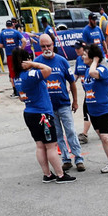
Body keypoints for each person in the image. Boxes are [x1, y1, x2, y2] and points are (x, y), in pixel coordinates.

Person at [13, 49, 69, 184]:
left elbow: (21, 97)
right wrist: (34, 64)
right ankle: (60, 175)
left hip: (29, 112)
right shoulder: (30, 74)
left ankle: (47, 174)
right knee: (51, 146)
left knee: (40, 145)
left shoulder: (17, 77)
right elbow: (47, 69)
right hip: (42, 113)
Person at [37, 34, 82, 172]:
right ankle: (66, 159)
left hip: (63, 104)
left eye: (48, 45)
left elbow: (72, 82)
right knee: (57, 134)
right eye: (43, 46)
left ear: (53, 44)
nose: (46, 48)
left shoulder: (62, 61)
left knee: (70, 131)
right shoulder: (37, 62)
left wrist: (75, 101)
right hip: (48, 108)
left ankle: (78, 158)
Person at [81, 46, 108, 177]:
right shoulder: (87, 71)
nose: (82, 56)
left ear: (93, 57)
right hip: (93, 111)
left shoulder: (101, 69)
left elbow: (93, 73)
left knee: (106, 137)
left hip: (104, 111)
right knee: (102, 138)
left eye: (85, 54)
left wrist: (96, 60)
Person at [0, 19, 23, 95]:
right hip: (17, 54)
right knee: (20, 70)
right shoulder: (16, 32)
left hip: (9, 54)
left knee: (12, 73)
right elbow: (24, 40)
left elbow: (0, 45)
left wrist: (6, 46)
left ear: (6, 26)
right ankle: (22, 88)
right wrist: (21, 49)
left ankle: (15, 91)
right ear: (12, 25)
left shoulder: (2, 33)